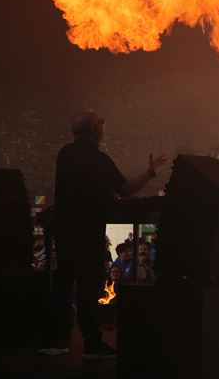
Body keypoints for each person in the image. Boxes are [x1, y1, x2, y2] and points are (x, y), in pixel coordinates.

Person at [40, 111, 166, 360]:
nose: (103, 126)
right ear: (94, 130)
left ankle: (57, 340)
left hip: (65, 229)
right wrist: (151, 172)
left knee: (63, 283)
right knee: (89, 287)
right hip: (88, 229)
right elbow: (126, 190)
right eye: (101, 122)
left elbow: (80, 187)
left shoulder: (64, 154)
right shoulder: (98, 159)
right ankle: (92, 344)